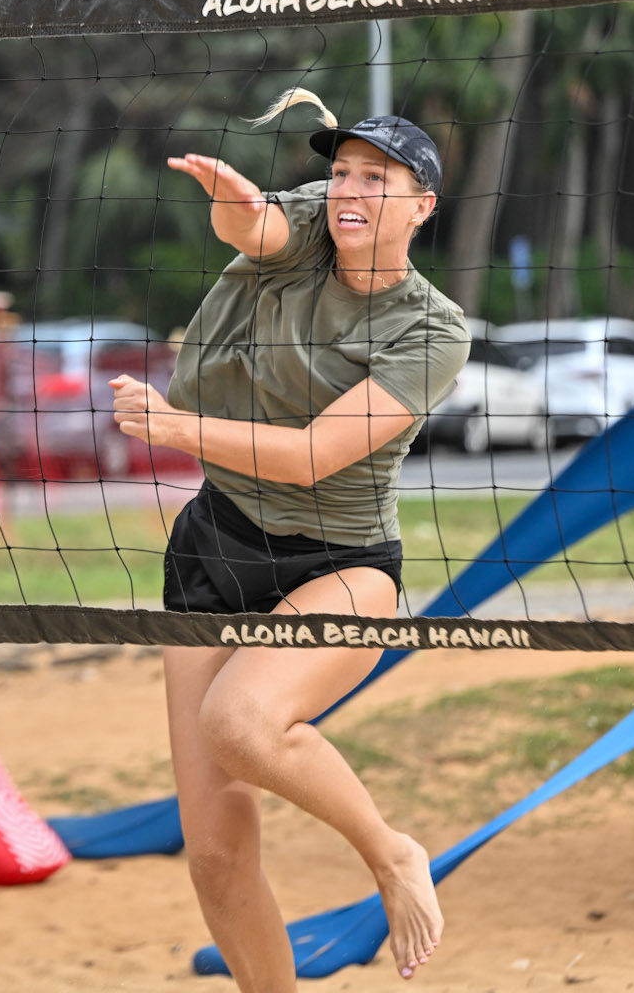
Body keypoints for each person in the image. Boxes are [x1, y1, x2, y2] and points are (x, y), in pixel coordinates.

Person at [111, 88, 469, 989]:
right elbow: (255, 229)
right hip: (215, 547)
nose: (348, 189)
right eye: (340, 170)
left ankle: (391, 856)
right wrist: (231, 193)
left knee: (239, 724)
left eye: (375, 178)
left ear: (421, 206)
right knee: (215, 861)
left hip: (340, 564)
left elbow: (314, 458)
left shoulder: (431, 330)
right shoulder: (317, 221)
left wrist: (173, 428)